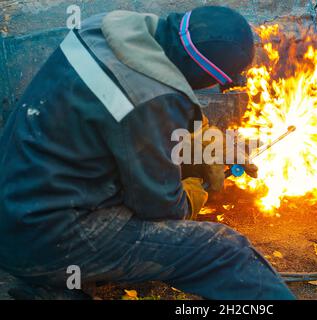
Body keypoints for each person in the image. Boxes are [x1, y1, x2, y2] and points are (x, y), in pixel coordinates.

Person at [0, 6, 295, 300]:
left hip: (17, 207)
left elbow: (137, 113)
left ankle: (54, 288)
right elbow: (161, 207)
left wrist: (210, 141)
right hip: (48, 238)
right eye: (218, 82)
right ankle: (53, 271)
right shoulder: (150, 100)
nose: (216, 89)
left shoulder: (103, 28)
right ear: (203, 72)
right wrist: (195, 192)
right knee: (224, 250)